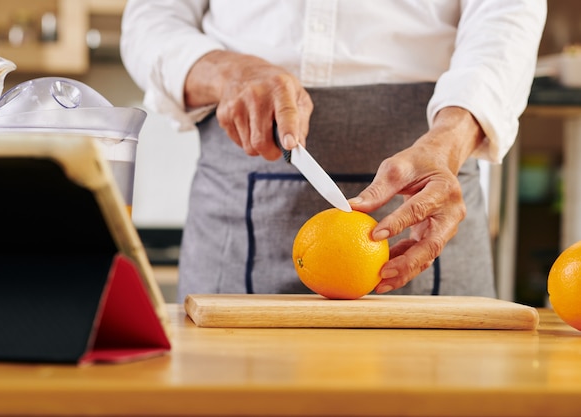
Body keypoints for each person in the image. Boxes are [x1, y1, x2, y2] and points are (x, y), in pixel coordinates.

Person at [121, 0, 547, 303]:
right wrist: (224, 71)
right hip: (231, 224)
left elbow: (508, 14)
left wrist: (448, 142)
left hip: (433, 186)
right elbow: (151, 18)